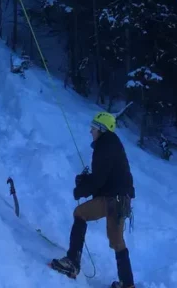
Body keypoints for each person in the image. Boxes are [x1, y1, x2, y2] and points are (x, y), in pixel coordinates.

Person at [51, 111, 136, 288]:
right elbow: (105, 176)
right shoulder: (112, 144)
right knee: (116, 241)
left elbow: (99, 180)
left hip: (114, 199)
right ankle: (127, 284)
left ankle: (72, 263)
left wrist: (80, 188)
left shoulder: (104, 146)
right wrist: (87, 181)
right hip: (122, 199)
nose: (91, 131)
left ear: (101, 129)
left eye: (94, 127)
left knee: (80, 213)